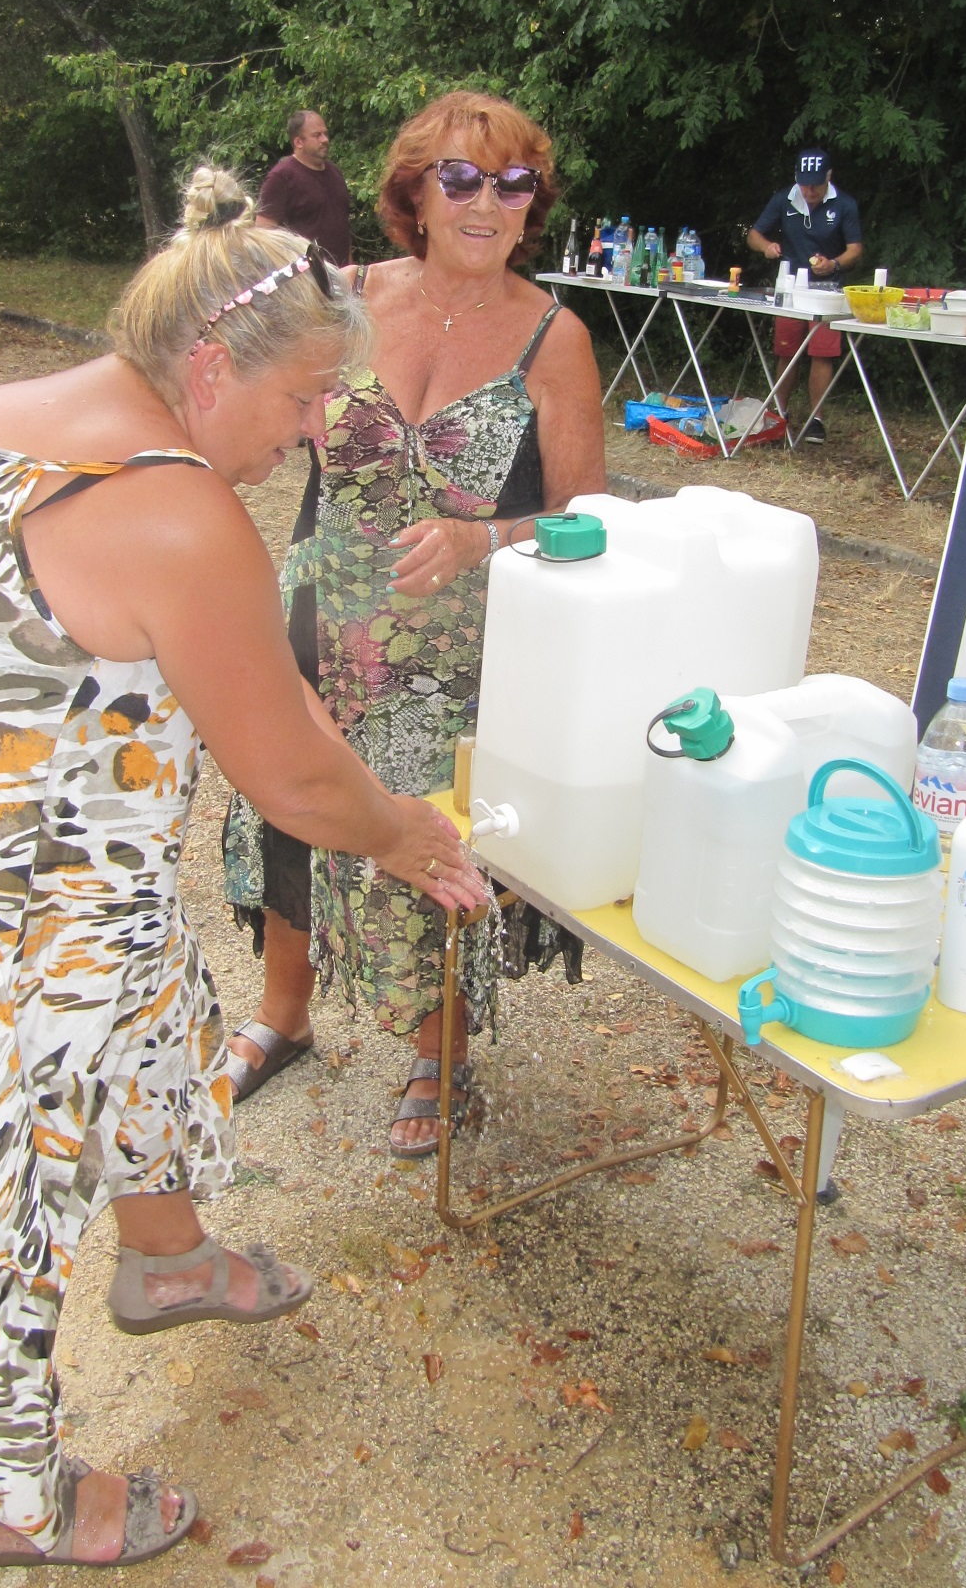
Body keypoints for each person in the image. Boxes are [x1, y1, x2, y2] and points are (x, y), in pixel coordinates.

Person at [0, 166, 483, 1568]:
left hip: (23, 853)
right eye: (302, 401)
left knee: (148, 1004)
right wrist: (406, 834)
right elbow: (291, 776)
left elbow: (195, 681)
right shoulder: (173, 508)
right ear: (211, 365)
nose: (309, 434)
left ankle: (165, 1259)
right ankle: (17, 1501)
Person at [223, 90, 607, 1156]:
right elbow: (248, 412)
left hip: (455, 656)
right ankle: (284, 1014)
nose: (485, 203)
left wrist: (482, 538)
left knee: (431, 836)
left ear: (532, 206)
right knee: (289, 801)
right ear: (415, 194)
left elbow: (590, 521)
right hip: (316, 612)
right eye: (460, 178)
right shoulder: (341, 296)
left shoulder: (554, 337)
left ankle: (442, 1052)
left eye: (512, 183)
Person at [747, 149, 864, 443]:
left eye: (816, 185)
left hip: (828, 290)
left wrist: (834, 264)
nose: (810, 191)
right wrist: (766, 247)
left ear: (828, 177)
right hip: (791, 288)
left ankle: (816, 420)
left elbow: (855, 249)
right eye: (804, 184)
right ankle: (779, 414)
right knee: (786, 351)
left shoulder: (844, 204)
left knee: (822, 353)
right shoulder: (784, 199)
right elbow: (754, 234)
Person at [257, 108, 353, 266]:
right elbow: (263, 235)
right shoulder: (281, 178)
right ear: (298, 142)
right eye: (317, 135)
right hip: (305, 276)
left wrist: (351, 269)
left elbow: (343, 230)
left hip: (341, 274)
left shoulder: (335, 173)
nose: (325, 140)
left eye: (325, 134)